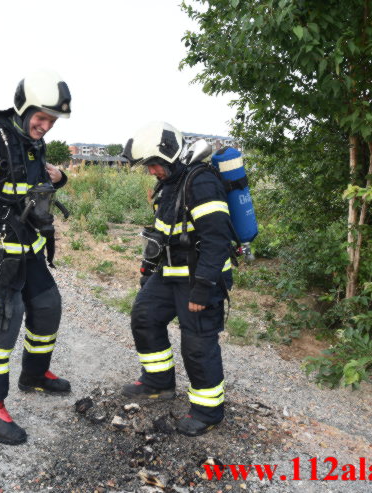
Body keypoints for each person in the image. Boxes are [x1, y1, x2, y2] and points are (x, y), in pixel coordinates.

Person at [0, 69, 72, 445]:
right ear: (23, 109)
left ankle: (34, 375)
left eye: (52, 121)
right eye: (41, 117)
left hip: (30, 249)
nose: (46, 126)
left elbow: (34, 185)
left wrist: (59, 178)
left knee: (48, 306)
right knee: (1, 330)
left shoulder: (31, 141)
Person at [121, 121, 235, 436]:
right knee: (144, 315)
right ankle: (158, 382)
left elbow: (216, 240)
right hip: (169, 272)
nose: (151, 171)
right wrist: (148, 269)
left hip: (200, 277)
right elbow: (162, 231)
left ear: (169, 154)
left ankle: (208, 411)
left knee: (197, 343)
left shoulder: (201, 182)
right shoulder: (172, 182)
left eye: (153, 164)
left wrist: (202, 289)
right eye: (148, 166)